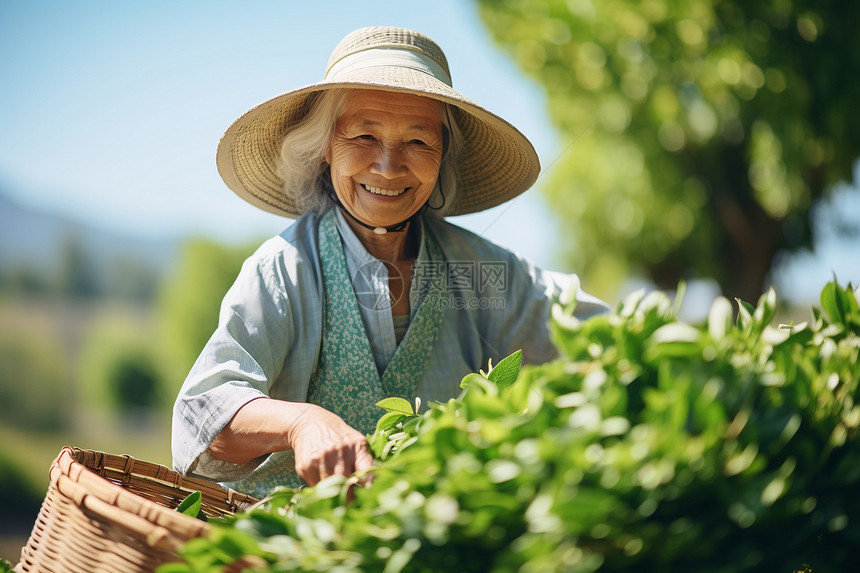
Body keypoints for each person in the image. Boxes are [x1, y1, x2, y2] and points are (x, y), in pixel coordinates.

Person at [172, 26, 607, 499]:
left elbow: (593, 333)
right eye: (363, 135)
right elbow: (206, 413)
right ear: (326, 146)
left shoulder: (479, 271)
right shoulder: (284, 270)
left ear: (442, 156)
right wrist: (302, 423)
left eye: (418, 142)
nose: (387, 166)